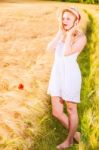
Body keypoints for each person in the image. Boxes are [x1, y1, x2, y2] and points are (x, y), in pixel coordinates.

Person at [46, 6, 87, 149]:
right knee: (56, 112)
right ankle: (75, 135)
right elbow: (49, 48)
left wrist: (69, 35)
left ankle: (69, 140)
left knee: (71, 110)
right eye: (63, 18)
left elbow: (66, 52)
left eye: (68, 18)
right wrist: (60, 33)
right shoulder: (61, 33)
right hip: (57, 75)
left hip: (70, 76)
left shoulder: (81, 37)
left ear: (76, 21)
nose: (64, 21)